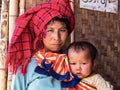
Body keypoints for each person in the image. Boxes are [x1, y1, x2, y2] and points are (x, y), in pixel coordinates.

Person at [5, 0, 81, 90]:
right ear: (40, 34)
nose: (57, 37)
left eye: (62, 30)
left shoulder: (75, 61)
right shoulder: (26, 66)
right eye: (50, 30)